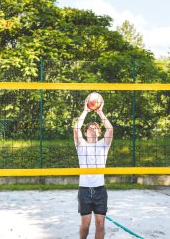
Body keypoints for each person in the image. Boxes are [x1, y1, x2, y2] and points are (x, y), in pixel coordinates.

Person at [73, 94, 113, 239]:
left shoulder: (103, 145)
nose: (92, 129)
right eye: (89, 128)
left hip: (100, 189)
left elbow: (110, 129)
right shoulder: (81, 144)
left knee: (100, 224)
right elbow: (76, 129)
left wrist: (100, 112)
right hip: (84, 189)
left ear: (99, 132)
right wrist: (85, 110)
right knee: (85, 224)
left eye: (95, 128)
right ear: (86, 132)